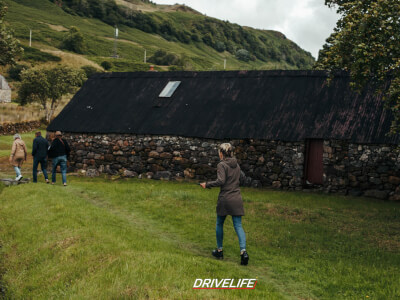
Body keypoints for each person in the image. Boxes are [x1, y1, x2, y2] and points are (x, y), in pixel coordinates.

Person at [200, 143, 249, 265]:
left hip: (225, 199)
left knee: (219, 223)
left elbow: (221, 181)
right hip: (237, 198)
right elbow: (243, 179)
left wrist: (207, 184)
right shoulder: (236, 165)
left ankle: (219, 250)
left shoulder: (221, 165)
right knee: (238, 226)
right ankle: (243, 252)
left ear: (221, 153)